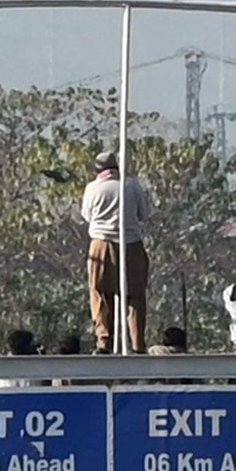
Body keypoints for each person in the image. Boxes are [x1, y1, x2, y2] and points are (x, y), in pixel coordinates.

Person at [79, 150, 152, 354]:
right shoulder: (131, 185)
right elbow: (144, 214)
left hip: (101, 245)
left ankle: (104, 342)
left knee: (100, 294)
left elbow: (87, 216)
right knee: (135, 296)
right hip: (132, 244)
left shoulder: (92, 188)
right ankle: (138, 343)